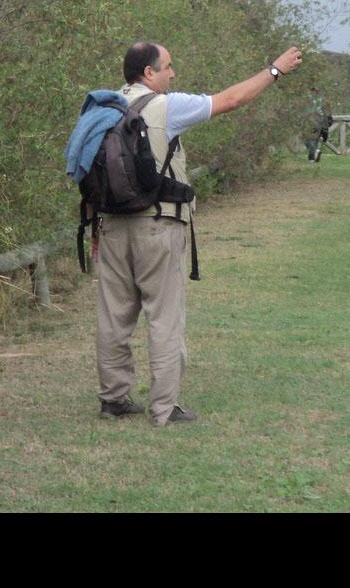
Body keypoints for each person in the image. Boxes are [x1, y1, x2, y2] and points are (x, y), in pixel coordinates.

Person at [96, 42, 303, 425]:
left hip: (110, 225)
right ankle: (164, 408)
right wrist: (275, 70)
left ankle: (113, 399)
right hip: (158, 226)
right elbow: (232, 100)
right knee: (164, 317)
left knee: (114, 316)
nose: (173, 74)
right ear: (148, 73)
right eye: (168, 67)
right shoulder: (167, 106)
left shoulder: (105, 107)